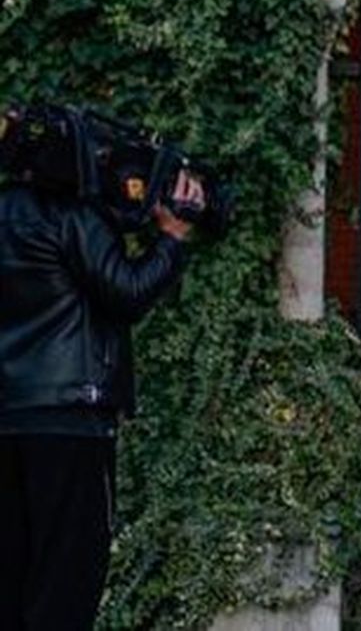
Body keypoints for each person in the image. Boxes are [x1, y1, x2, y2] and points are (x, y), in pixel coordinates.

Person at [0, 169, 202, 630]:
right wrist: (171, 237)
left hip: (8, 415)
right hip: (70, 418)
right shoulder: (74, 214)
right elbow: (127, 292)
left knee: (10, 577)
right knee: (67, 580)